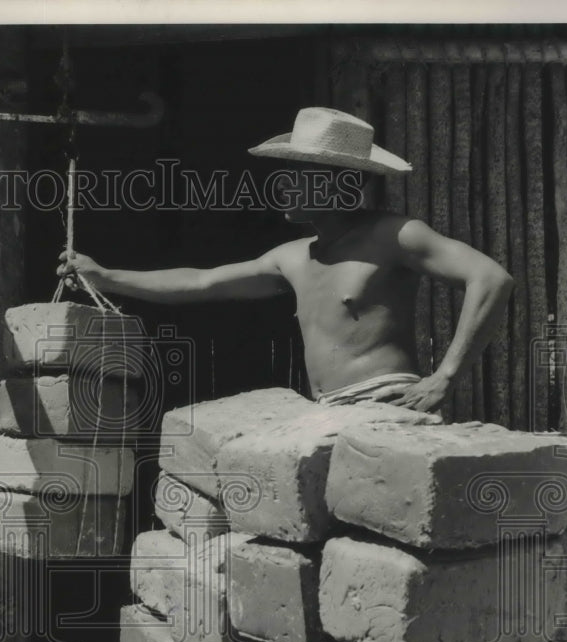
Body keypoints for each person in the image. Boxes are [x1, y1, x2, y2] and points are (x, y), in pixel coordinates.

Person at [58, 107, 514, 413]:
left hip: (386, 408)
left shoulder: (393, 235)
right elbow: (201, 282)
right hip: (325, 415)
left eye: (299, 175)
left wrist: (445, 377)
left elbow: (491, 278)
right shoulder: (291, 257)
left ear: (338, 183)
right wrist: (106, 276)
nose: (284, 186)